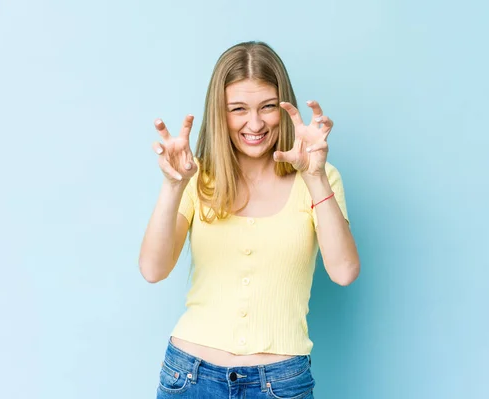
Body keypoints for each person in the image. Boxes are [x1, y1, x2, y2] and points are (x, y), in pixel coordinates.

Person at [139, 41, 360, 399]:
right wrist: (173, 186)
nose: (254, 123)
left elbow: (345, 271)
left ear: (283, 107)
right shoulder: (196, 176)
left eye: (268, 107)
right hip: (189, 377)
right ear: (219, 113)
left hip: (281, 382)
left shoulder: (320, 178)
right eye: (238, 109)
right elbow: (153, 269)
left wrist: (315, 176)